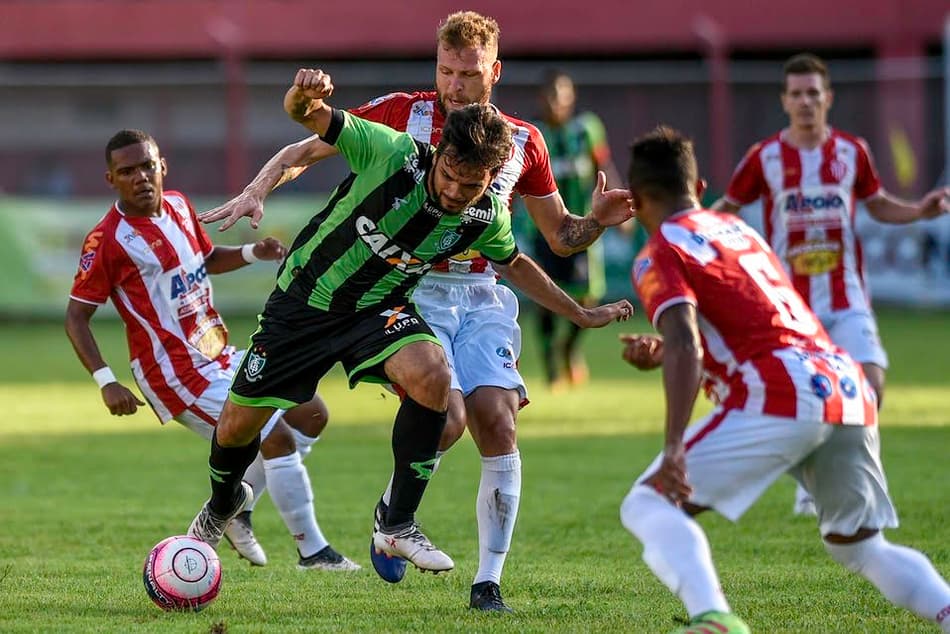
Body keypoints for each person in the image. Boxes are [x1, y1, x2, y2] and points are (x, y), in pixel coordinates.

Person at [202, 11, 634, 611]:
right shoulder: (403, 119)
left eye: (468, 73)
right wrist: (260, 187)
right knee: (445, 416)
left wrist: (596, 225)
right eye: (446, 71)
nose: (454, 84)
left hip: (482, 294)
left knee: (497, 420)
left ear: (495, 72)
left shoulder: (522, 144)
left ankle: (485, 583)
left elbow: (559, 237)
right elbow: (311, 143)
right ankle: (371, 512)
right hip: (406, 289)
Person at [618, 125, 950, 634]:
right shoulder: (741, 231)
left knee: (647, 501)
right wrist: (668, 353)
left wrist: (673, 443)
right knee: (860, 545)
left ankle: (715, 619)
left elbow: (688, 340)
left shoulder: (659, 251)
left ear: (636, 200)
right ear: (701, 188)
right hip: (846, 386)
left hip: (782, 391)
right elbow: (753, 318)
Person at [65, 129, 358, 572]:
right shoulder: (107, 240)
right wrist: (106, 381)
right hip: (175, 372)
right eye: (127, 171)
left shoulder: (180, 205)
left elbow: (201, 259)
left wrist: (251, 252)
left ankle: (234, 507)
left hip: (218, 351)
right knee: (272, 437)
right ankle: (314, 553)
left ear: (162, 165)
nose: (140, 177)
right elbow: (76, 316)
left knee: (311, 412)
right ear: (111, 180)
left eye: (147, 166)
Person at [710, 53, 950, 516]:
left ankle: (851, 478)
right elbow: (729, 205)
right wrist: (690, 222)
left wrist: (920, 209)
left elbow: (877, 204)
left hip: (847, 296)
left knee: (871, 383)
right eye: (796, 93)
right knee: (806, 395)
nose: (805, 101)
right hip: (791, 305)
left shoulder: (851, 151)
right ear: (784, 100)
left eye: (813, 93)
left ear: (828, 98)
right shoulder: (765, 157)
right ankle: (813, 482)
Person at [528, 70, 623, 389]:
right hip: (541, 228)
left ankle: (569, 349)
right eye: (552, 95)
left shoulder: (587, 129)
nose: (558, 101)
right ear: (543, 99)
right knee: (544, 295)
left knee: (589, 294)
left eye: (563, 94)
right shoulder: (534, 134)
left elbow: (604, 167)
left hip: (583, 226)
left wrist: (620, 207)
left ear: (572, 97)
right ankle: (551, 368)